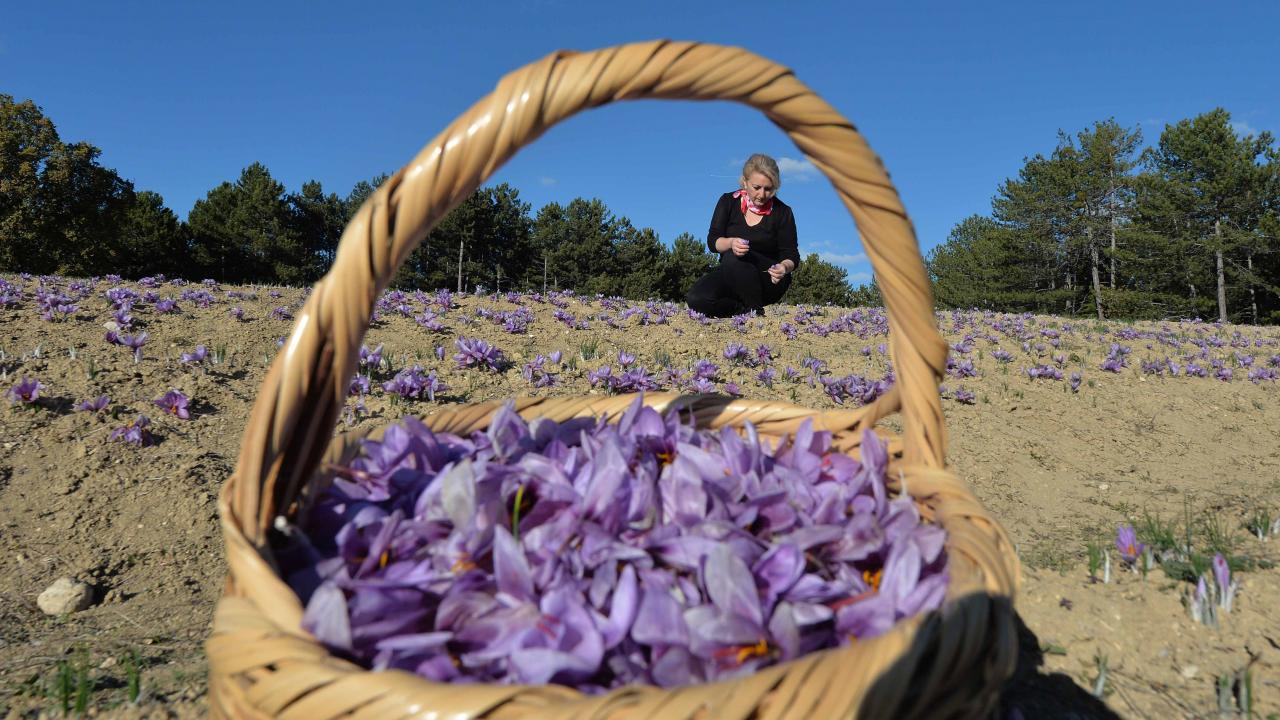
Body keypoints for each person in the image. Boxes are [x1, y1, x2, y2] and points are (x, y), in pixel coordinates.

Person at [686, 153, 800, 318]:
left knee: (734, 257)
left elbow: (791, 254)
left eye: (768, 189)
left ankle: (755, 310)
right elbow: (713, 241)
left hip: (768, 278)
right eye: (756, 187)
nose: (762, 194)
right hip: (731, 272)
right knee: (696, 299)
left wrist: (784, 267)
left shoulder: (783, 212)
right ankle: (743, 312)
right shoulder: (728, 201)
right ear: (745, 182)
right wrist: (731, 242)